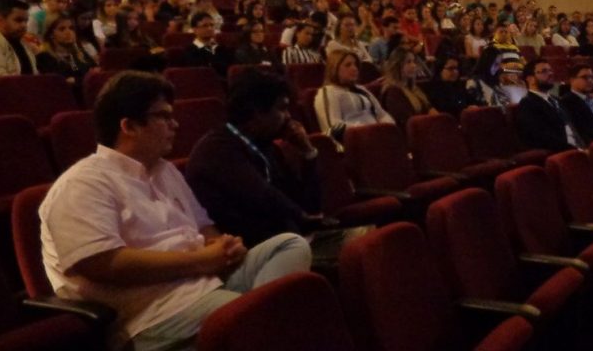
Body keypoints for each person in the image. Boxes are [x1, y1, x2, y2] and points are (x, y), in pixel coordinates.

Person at [38, 71, 312, 350]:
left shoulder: (165, 170)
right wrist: (202, 260)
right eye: (164, 116)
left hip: (208, 282)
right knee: (271, 315)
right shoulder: (82, 183)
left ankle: (247, 327)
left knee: (289, 246)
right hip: (158, 314)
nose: (175, 124)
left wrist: (223, 246)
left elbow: (203, 226)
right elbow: (102, 263)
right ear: (129, 126)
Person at [186, 69, 323, 247]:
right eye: (282, 108)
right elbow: (271, 202)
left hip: (290, 241)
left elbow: (307, 205)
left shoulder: (266, 146)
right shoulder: (217, 151)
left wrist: (308, 152)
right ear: (256, 111)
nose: (289, 116)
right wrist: (311, 221)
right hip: (254, 251)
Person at [315, 50, 393, 139]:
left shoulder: (361, 89)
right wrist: (366, 130)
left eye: (355, 64)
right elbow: (333, 127)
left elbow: (381, 114)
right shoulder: (328, 92)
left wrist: (388, 129)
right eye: (348, 65)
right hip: (354, 140)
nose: (354, 68)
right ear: (334, 69)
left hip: (377, 136)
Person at [517, 59, 582, 152]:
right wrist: (575, 150)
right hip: (563, 152)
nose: (550, 74)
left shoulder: (556, 99)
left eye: (550, 70)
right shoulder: (528, 104)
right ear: (530, 79)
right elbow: (542, 137)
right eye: (544, 71)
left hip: (578, 146)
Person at [35, 14, 97, 97]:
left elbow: (96, 73)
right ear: (51, 34)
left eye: (71, 28)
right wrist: (84, 79)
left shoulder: (80, 53)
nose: (68, 32)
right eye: (62, 29)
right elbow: (61, 83)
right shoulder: (44, 57)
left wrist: (76, 80)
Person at [380, 46, 436, 131]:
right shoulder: (393, 93)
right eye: (408, 62)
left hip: (425, 128)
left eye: (414, 61)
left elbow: (429, 109)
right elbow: (408, 123)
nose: (414, 66)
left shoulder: (412, 88)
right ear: (397, 66)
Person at [560, 63, 593, 145]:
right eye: (585, 77)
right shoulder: (567, 102)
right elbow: (580, 132)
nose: (590, 80)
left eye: (591, 77)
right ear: (572, 80)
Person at [183, 12, 232, 77]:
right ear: (195, 29)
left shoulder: (221, 48)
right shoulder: (190, 50)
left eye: (212, 25)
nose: (210, 28)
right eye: (205, 26)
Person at [0, 0, 36, 76]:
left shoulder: (24, 44)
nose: (24, 25)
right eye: (18, 20)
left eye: (26, 21)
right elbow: (2, 80)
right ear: (0, 20)